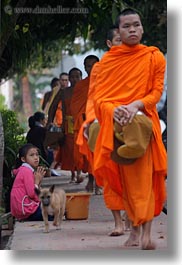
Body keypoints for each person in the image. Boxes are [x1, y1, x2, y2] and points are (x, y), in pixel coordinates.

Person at [93, 8, 167, 249]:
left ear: (143, 28)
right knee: (125, 181)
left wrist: (135, 105)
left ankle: (146, 232)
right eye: (127, 26)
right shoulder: (108, 62)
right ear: (119, 31)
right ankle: (134, 231)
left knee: (144, 180)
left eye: (136, 24)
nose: (132, 29)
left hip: (143, 126)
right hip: (117, 128)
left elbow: (156, 93)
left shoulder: (154, 57)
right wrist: (115, 110)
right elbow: (100, 99)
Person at [77, 27, 127, 235]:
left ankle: (132, 216)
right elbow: (93, 99)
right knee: (109, 171)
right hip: (105, 120)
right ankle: (118, 221)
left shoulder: (138, 62)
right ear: (109, 43)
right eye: (118, 39)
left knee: (131, 173)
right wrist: (91, 120)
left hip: (131, 120)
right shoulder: (101, 69)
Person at [70, 55, 100, 193]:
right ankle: (91, 180)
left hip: (100, 122)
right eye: (88, 66)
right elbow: (74, 106)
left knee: (98, 154)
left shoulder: (105, 82)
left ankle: (96, 182)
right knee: (86, 156)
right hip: (84, 123)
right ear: (85, 67)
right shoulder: (81, 85)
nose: (91, 68)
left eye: (94, 65)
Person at [50, 67, 83, 182]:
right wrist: (49, 121)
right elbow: (53, 106)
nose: (74, 79)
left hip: (82, 123)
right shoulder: (64, 92)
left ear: (81, 77)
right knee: (70, 150)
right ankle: (73, 173)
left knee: (80, 149)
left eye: (77, 77)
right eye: (72, 77)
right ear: (69, 79)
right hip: (67, 124)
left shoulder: (85, 90)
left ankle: (79, 172)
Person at [10, 143, 47, 221]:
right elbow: (32, 194)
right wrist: (37, 181)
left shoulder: (26, 170)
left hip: (24, 209)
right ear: (23, 159)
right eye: (32, 155)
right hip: (27, 211)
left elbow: (36, 195)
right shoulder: (26, 171)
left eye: (37, 155)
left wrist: (39, 180)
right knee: (54, 211)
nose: (36, 158)